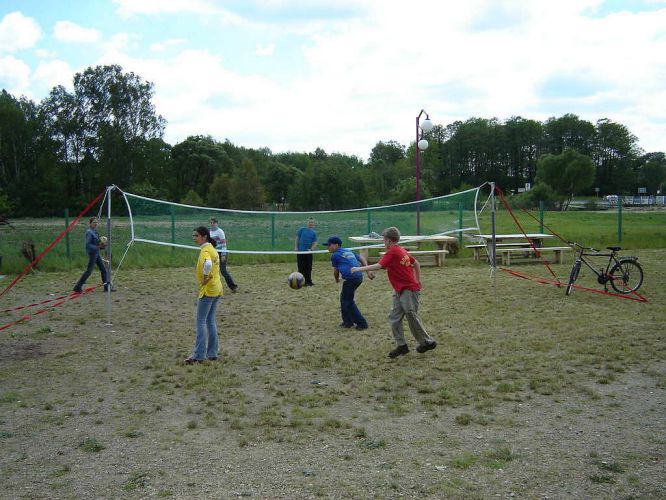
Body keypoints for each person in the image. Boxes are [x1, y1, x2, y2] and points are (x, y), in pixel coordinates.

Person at [351, 226, 436, 358]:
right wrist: (418, 279)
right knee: (394, 318)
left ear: (389, 241)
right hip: (399, 290)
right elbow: (416, 263)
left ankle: (427, 342)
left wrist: (358, 269)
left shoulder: (394, 251)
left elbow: (379, 266)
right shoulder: (400, 250)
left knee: (410, 315)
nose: (383, 242)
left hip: (408, 289)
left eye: (384, 240)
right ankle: (402, 346)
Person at [185, 226, 223, 364]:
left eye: (196, 236)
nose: (194, 238)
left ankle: (198, 355)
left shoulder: (206, 250)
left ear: (204, 237)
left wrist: (205, 277)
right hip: (217, 289)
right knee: (210, 320)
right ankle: (212, 353)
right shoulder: (212, 249)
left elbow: (207, 264)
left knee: (201, 321)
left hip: (209, 290)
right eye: (194, 236)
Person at [325, 236, 374, 330]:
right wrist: (367, 272)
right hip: (358, 277)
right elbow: (362, 259)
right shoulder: (347, 251)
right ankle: (347, 322)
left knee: (348, 301)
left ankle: (362, 323)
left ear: (336, 245)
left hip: (351, 278)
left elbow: (336, 272)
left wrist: (336, 280)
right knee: (344, 299)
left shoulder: (335, 255)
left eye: (329, 245)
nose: (328, 247)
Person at [73, 217, 111, 293]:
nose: (96, 224)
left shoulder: (95, 232)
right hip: (92, 253)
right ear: (90, 223)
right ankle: (77, 287)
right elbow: (88, 245)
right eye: (94, 222)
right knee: (89, 271)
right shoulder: (89, 232)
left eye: (97, 222)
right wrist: (98, 247)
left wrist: (102, 246)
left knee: (103, 269)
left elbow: (97, 244)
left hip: (96, 253)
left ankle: (106, 287)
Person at [208, 217, 238, 292]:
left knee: (223, 271)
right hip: (213, 253)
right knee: (211, 270)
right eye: (211, 223)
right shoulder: (209, 232)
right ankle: (213, 287)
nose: (212, 224)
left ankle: (233, 287)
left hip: (221, 252)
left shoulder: (220, 231)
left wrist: (223, 255)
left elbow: (223, 243)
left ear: (216, 223)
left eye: (213, 223)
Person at [295, 217, 317, 286]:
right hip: (300, 252)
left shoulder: (314, 233)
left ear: (314, 224)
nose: (310, 223)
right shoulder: (302, 230)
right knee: (301, 267)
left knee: (308, 267)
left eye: (312, 222)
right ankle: (301, 282)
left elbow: (315, 242)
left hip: (308, 253)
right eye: (309, 222)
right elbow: (297, 238)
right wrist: (296, 247)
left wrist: (312, 249)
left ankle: (308, 282)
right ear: (307, 223)